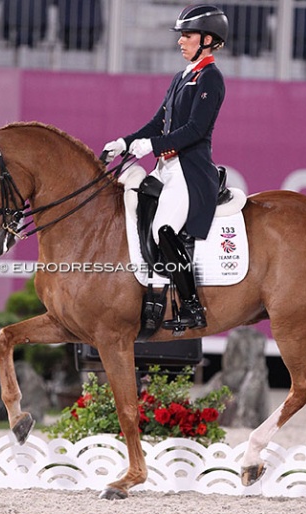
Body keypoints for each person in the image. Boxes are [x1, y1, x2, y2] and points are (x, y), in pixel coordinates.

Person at [103, 4, 228, 332]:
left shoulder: (211, 78)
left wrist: (153, 146)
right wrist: (126, 142)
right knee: (134, 208)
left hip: (189, 171)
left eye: (187, 35)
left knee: (164, 230)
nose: (180, 41)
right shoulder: (181, 77)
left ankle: (191, 306)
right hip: (166, 168)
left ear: (207, 39)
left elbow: (195, 130)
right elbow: (159, 121)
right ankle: (151, 290)